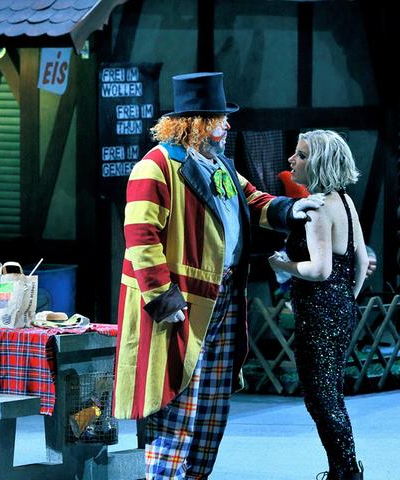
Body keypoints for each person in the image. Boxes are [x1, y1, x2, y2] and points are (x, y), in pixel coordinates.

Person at [112, 72, 325, 480]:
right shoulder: (156, 167)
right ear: (197, 124)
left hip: (224, 297)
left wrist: (289, 209)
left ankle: (196, 475)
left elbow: (252, 200)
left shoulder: (220, 164)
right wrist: (162, 297)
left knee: (211, 404)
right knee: (177, 402)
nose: (227, 127)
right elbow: (140, 237)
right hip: (181, 303)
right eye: (220, 120)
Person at [268, 130, 368, 480]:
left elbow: (319, 269)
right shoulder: (346, 201)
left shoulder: (317, 207)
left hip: (318, 313)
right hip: (340, 308)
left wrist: (283, 265)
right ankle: (343, 468)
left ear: (320, 162)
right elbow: (360, 260)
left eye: (301, 155)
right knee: (330, 394)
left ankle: (346, 471)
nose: (291, 160)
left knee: (320, 397)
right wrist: (347, 299)